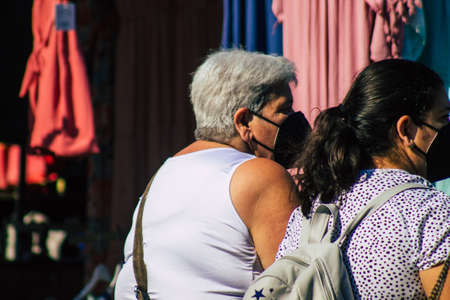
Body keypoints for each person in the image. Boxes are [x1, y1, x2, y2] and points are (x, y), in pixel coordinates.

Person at [114, 49, 301, 299]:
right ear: (244, 121)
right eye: (284, 110)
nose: (293, 120)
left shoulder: (161, 177)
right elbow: (301, 284)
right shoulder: (262, 176)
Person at [277, 59, 450, 299]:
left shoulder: (310, 212)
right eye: (443, 119)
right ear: (406, 129)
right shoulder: (430, 211)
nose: (446, 129)